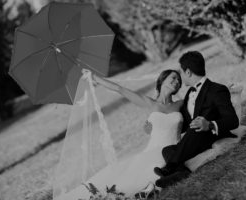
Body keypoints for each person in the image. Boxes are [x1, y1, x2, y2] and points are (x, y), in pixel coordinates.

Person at [59, 69, 185, 199]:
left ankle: (149, 189)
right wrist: (94, 77)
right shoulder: (149, 103)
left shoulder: (180, 104)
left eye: (179, 81)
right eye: (174, 78)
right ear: (163, 80)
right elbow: (120, 89)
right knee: (140, 177)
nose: (177, 82)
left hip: (176, 149)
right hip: (154, 150)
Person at [153, 51, 239, 188]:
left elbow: (233, 120)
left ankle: (169, 168)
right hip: (194, 138)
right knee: (167, 150)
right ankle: (181, 173)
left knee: (195, 129)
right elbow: (186, 121)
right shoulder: (189, 93)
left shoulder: (216, 90)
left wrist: (209, 124)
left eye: (180, 73)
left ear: (187, 72)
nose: (180, 78)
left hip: (210, 135)